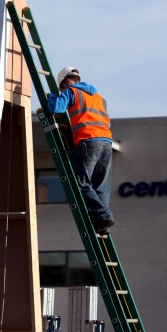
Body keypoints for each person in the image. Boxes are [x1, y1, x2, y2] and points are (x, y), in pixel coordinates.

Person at [47, 67, 115, 234]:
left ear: (66, 82)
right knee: (101, 186)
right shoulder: (99, 98)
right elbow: (104, 122)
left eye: (62, 87)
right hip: (106, 142)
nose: (63, 90)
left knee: (80, 182)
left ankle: (104, 215)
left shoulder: (72, 91)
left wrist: (53, 97)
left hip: (89, 140)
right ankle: (102, 223)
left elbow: (56, 108)